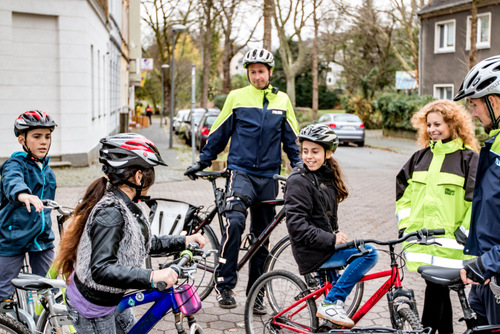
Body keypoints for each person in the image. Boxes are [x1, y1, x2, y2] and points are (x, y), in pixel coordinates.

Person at [184, 48, 300, 309]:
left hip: (269, 176)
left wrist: (300, 167)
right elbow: (220, 132)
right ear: (248, 73)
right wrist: (203, 160)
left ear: (270, 72)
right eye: (253, 72)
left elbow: (292, 141)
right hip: (241, 172)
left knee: (262, 237)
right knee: (234, 221)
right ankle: (224, 285)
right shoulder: (236, 97)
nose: (257, 76)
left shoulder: (282, 100)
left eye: (261, 71)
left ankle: (256, 294)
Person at [54, 133, 205, 333]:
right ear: (138, 176)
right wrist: (152, 275)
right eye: (150, 173)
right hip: (94, 308)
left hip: (111, 297)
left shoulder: (125, 205)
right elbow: (101, 269)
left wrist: (184, 240)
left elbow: (145, 242)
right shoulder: (111, 212)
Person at [395, 99, 479, 334]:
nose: (432, 130)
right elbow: (404, 195)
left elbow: (479, 202)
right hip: (423, 244)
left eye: (437, 124)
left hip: (452, 246)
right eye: (428, 125)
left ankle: (428, 331)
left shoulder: (469, 160)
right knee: (436, 291)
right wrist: (405, 225)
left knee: (436, 293)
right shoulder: (419, 158)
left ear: (454, 124)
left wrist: (466, 232)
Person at [285, 124, 378, 328]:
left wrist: (335, 234)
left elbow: (325, 218)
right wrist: (331, 239)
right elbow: (296, 225)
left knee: (332, 322)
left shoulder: (325, 176)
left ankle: (331, 308)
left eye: (315, 151)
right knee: (369, 253)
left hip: (323, 245)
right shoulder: (298, 181)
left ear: (328, 153)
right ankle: (330, 302)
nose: (309, 156)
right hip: (312, 250)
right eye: (305, 151)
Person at [454, 55, 500, 325]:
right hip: (486, 275)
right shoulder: (494, 143)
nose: (472, 112)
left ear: (493, 101)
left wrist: (487, 263)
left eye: (475, 103)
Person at [0, 110, 58, 302]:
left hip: (41, 239)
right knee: (3, 293)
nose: (44, 142)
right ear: (21, 140)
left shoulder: (47, 171)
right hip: (13, 239)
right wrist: (23, 194)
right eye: (37, 136)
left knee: (52, 288)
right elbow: (12, 181)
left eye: (47, 136)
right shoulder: (15, 164)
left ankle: (47, 325)